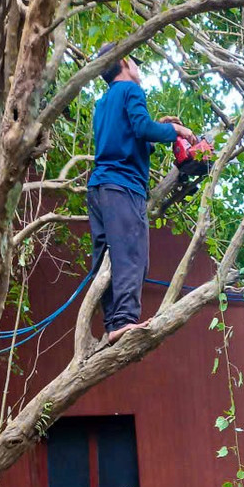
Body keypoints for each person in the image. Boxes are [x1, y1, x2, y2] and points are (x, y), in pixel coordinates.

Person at [88, 42, 196, 344]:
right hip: (123, 186)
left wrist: (158, 126)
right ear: (124, 62)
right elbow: (141, 129)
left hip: (99, 188)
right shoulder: (131, 91)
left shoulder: (102, 103)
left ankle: (112, 324)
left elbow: (130, 136)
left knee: (106, 258)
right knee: (131, 256)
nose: (138, 68)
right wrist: (177, 131)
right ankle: (123, 320)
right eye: (135, 61)